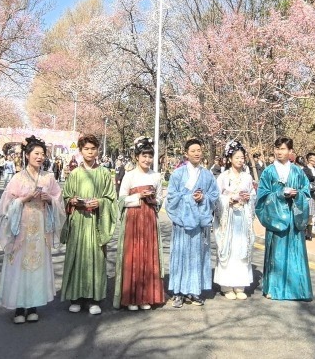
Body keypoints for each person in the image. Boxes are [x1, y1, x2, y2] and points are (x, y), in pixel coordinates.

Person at [0, 136, 63, 324]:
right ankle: (19, 307)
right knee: (19, 266)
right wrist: (24, 199)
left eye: (42, 154)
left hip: (41, 229)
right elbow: (6, 205)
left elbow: (59, 200)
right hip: (21, 230)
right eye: (36, 153)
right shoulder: (17, 178)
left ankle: (33, 306)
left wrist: (49, 199)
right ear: (27, 155)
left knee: (37, 267)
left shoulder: (49, 178)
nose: (40, 157)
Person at [61, 134, 118, 315]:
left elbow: (111, 199)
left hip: (96, 222)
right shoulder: (75, 174)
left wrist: (100, 202)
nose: (90, 152)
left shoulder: (104, 173)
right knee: (76, 256)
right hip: (78, 221)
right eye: (86, 149)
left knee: (96, 258)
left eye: (93, 149)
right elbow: (66, 196)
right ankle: (76, 297)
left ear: (97, 150)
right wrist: (72, 201)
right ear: (80, 151)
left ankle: (94, 299)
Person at [255, 136, 313, 301]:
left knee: (295, 253)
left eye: (283, 149)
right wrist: (280, 194)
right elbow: (262, 197)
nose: (279, 152)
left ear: (290, 151)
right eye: (277, 148)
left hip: (294, 218)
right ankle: (274, 289)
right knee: (277, 254)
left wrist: (297, 195)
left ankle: (298, 290)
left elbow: (306, 192)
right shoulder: (268, 172)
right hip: (276, 219)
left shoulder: (298, 172)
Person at [166, 138, 219, 308]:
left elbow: (214, 195)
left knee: (197, 255)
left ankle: (194, 290)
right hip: (182, 222)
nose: (197, 153)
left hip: (199, 223)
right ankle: (178, 292)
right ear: (186, 154)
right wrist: (189, 198)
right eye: (193, 151)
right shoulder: (178, 174)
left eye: (199, 150)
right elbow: (171, 197)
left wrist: (203, 198)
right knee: (180, 254)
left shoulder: (207, 175)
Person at [113, 136, 165, 311]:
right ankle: (131, 298)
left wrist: (154, 200)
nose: (147, 159)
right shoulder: (129, 176)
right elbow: (121, 200)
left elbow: (160, 199)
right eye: (144, 156)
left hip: (149, 219)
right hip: (133, 219)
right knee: (133, 256)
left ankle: (146, 297)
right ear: (137, 156)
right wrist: (138, 196)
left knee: (148, 256)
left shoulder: (156, 176)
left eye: (150, 156)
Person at [213, 140, 255, 300]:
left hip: (242, 218)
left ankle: (239, 285)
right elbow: (216, 197)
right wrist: (228, 200)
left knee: (241, 249)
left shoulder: (247, 177)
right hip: (228, 218)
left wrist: (248, 198)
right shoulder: (223, 177)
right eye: (237, 157)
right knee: (229, 250)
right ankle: (226, 285)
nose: (240, 160)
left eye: (242, 157)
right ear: (230, 158)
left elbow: (253, 196)